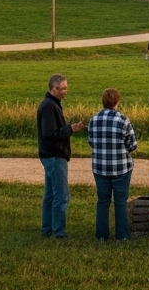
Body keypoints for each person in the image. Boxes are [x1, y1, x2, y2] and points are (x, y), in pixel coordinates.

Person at [86, 88, 138, 242]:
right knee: (120, 202)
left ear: (103, 101)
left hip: (100, 168)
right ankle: (122, 236)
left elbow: (91, 142)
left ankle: (101, 235)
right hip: (121, 167)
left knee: (103, 201)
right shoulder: (123, 120)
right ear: (117, 101)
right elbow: (133, 145)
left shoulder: (93, 120)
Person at [37, 74, 85, 239]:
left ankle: (47, 229)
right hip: (54, 155)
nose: (66, 91)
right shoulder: (50, 106)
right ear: (53, 88)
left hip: (50, 155)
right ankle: (59, 233)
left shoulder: (51, 104)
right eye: (63, 88)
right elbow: (50, 133)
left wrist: (69, 128)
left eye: (66, 87)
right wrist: (70, 129)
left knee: (50, 195)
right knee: (61, 196)